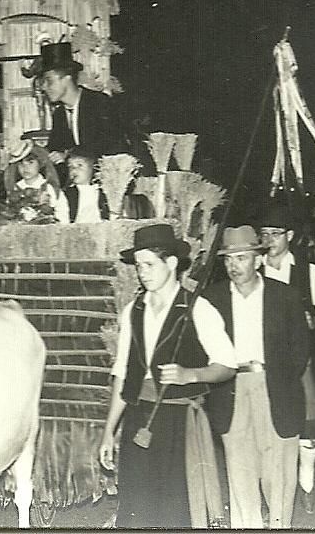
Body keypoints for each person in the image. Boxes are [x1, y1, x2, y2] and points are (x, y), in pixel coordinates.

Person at [99, 224, 236, 527]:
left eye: (149, 264)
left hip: (180, 421)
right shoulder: (132, 311)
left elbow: (228, 365)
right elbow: (122, 373)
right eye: (138, 266)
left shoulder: (198, 308)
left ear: (171, 263)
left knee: (176, 510)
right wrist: (109, 431)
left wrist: (191, 374)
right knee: (136, 507)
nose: (142, 272)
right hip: (138, 419)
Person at [203, 226, 309, 529]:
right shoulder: (212, 299)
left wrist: (280, 380)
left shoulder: (285, 296)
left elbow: (300, 348)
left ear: (259, 259)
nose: (234, 266)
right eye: (228, 260)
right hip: (231, 387)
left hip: (274, 387)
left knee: (279, 471)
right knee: (239, 469)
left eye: (242, 258)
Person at [257, 204, 315, 514]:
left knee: (308, 426)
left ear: (289, 236)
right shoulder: (254, 269)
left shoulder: (306, 270)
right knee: (267, 426)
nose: (268, 240)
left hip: (297, 359)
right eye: (263, 235)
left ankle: (306, 483)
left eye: (275, 234)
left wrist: (314, 323)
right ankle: (269, 493)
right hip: (263, 359)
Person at [33, 42, 113, 180]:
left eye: (49, 81)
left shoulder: (99, 103)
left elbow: (108, 145)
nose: (44, 88)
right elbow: (54, 149)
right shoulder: (59, 114)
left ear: (67, 78)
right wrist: (32, 151)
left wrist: (67, 155)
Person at [2, 139, 70, 224]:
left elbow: (62, 214)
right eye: (21, 164)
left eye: (30, 163)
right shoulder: (15, 189)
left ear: (40, 164)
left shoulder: (50, 188)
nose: (25, 168)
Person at [64, 149, 108, 223]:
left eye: (79, 165)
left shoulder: (103, 191)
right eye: (70, 166)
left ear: (93, 168)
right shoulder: (67, 194)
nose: (74, 169)